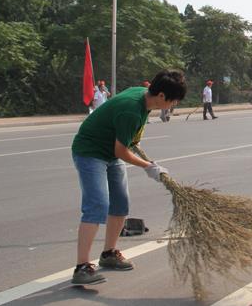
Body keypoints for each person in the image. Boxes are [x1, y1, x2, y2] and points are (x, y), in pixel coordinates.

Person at [70, 69, 186, 285]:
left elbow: (126, 140)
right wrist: (148, 166)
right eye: (174, 100)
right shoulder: (131, 110)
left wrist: (135, 144)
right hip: (90, 152)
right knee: (97, 206)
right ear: (161, 95)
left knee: (120, 204)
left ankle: (109, 254)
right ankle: (82, 267)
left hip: (110, 151)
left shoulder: (144, 97)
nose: (174, 105)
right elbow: (121, 151)